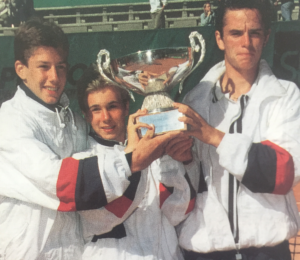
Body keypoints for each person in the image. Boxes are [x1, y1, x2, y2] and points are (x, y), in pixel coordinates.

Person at [0, 18, 184, 259]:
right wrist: (132, 160)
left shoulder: (74, 122)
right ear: (20, 69)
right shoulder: (9, 122)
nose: (54, 77)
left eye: (61, 66)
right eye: (43, 67)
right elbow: (59, 183)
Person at [173, 0, 300, 259]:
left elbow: (283, 171)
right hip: (205, 251)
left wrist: (213, 136)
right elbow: (184, 186)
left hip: (267, 252)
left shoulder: (286, 95)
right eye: (235, 33)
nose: (246, 42)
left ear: (266, 37)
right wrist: (184, 160)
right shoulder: (193, 102)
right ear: (219, 39)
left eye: (254, 32)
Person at [75, 64, 196, 260]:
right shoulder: (84, 163)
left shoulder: (152, 150)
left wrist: (172, 157)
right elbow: (107, 217)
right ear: (86, 114)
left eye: (112, 106)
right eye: (96, 110)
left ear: (126, 107)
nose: (105, 118)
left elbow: (178, 212)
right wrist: (137, 159)